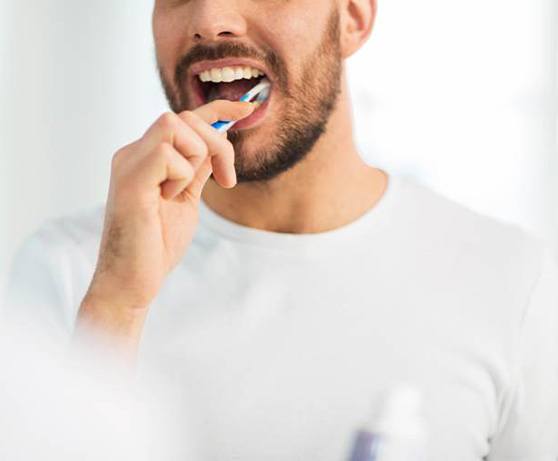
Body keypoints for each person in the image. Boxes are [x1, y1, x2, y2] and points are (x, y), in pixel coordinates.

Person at [3, 0, 558, 459]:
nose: (210, 16)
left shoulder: (516, 285)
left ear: (353, 19)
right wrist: (117, 309)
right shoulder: (65, 273)